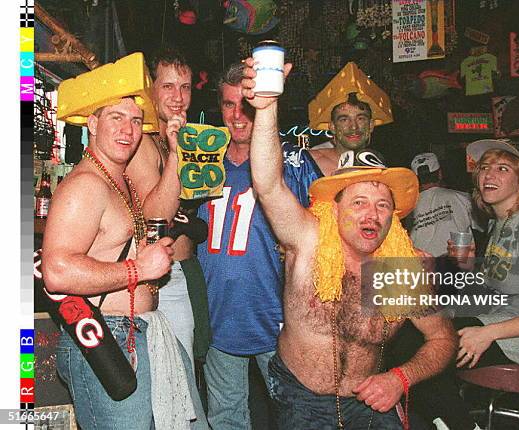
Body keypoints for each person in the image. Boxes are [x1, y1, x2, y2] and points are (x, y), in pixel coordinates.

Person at [241, 59, 457, 429]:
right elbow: (268, 184)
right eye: (359, 203)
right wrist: (266, 108)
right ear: (335, 207)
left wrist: (400, 378)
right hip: (299, 397)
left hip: (369, 399)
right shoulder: (307, 238)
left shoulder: (403, 269)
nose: (371, 215)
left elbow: (443, 339)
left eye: (382, 205)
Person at [43, 54, 208, 429]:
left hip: (134, 330)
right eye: (116, 117)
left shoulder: (122, 182)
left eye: (136, 120)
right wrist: (139, 268)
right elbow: (56, 270)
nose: (128, 130)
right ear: (93, 122)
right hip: (105, 335)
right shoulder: (86, 186)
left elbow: (159, 215)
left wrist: (175, 151)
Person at [196, 63, 322, 429]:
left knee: (296, 415)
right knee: (225, 418)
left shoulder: (291, 163)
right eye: (229, 104)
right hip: (218, 318)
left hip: (277, 320)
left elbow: (324, 230)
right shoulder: (203, 160)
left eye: (247, 104)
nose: (238, 116)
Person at [421, 139, 519, 430]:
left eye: (502, 168)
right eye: (483, 168)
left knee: (423, 350)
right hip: (499, 322)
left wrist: (488, 333)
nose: (488, 175)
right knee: (416, 328)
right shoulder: (500, 226)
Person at [126, 46, 210, 371]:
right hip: (159, 279)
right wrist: (177, 153)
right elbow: (157, 216)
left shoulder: (175, 140)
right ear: (151, 89)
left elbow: (189, 213)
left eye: (185, 87)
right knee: (174, 380)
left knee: (187, 376)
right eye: (168, 86)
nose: (178, 97)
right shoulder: (143, 144)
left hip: (185, 269)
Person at [307, 62, 393, 176]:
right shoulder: (310, 164)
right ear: (332, 126)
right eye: (344, 119)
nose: (353, 127)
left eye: (360, 118)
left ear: (371, 125)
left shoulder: (379, 167)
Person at [407, 152, 482, 258]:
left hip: (421, 267)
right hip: (457, 266)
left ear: (415, 179)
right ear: (440, 174)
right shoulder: (462, 198)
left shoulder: (407, 207)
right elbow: (481, 227)